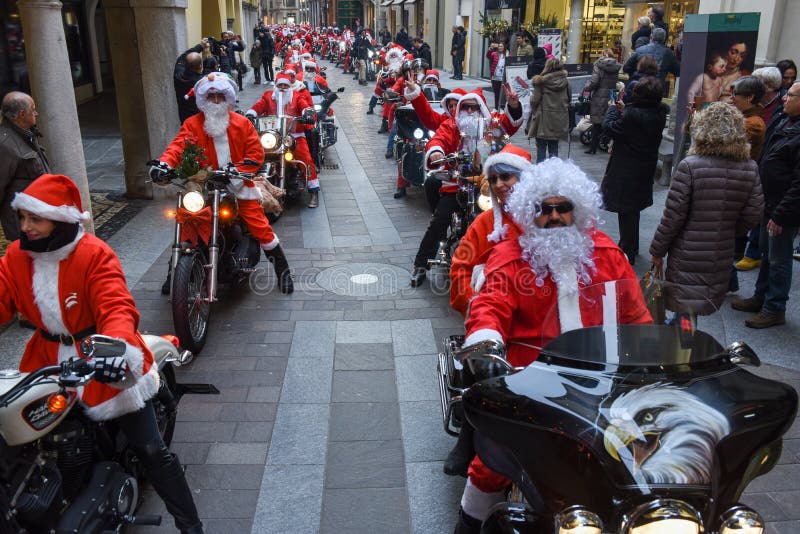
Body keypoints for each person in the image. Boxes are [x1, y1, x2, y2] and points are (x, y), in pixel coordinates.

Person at [452, 158, 650, 533]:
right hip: (529, 383)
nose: (555, 217)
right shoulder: (510, 258)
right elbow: (488, 307)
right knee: (493, 461)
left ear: (579, 209)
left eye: (564, 207)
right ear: (530, 212)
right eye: (544, 209)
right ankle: (468, 523)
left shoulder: (609, 256)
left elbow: (638, 318)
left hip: (603, 385)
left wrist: (652, 358)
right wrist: (486, 346)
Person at [1, 174, 204, 534]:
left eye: (35, 218)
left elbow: (116, 305)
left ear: (60, 219)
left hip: (102, 353)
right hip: (45, 360)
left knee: (152, 450)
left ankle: (191, 525)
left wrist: (117, 349)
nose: (25, 226)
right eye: (23, 217)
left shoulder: (93, 253)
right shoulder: (17, 256)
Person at [153, 74, 294, 293]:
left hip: (237, 183)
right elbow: (177, 147)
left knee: (259, 224)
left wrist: (239, 169)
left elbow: (256, 153)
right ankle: (175, 271)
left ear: (227, 98)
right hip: (204, 185)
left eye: (220, 96)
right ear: (204, 99)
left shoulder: (243, 124)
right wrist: (163, 165)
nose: (216, 100)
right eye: (211, 96)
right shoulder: (192, 124)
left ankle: (282, 270)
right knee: (189, 220)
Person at [650, 102, 763, 315]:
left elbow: (673, 217)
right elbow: (754, 212)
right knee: (702, 302)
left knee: (684, 307)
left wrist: (657, 250)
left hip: (687, 250)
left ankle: (684, 343)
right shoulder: (750, 168)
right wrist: (729, 229)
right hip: (721, 249)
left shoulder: (691, 166)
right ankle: (690, 342)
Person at [410, 88, 523, 286]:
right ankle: (421, 264)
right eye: (466, 108)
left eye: (474, 107)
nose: (470, 112)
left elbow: (508, 124)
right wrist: (436, 152)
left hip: (488, 185)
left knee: (508, 217)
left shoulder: (491, 124)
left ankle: (510, 261)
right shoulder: (452, 125)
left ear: (481, 108)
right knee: (440, 220)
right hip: (457, 184)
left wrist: (513, 105)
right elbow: (438, 139)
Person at [730, 81, 800, 328]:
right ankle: (761, 297)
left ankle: (774, 307)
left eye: (790, 95)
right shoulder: (784, 121)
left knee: (779, 259)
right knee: (767, 254)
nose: (784, 99)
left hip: (783, 209)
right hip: (770, 201)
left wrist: (781, 215)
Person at [601, 77, 669, 265]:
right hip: (644, 167)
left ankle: (626, 251)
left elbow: (610, 128)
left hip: (627, 169)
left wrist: (613, 109)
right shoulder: (659, 113)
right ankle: (632, 246)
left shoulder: (634, 116)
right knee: (633, 209)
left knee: (627, 210)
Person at [247, 72, 320, 208]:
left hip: (293, 135)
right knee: (253, 155)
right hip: (271, 136)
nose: (282, 87)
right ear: (276, 85)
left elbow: (304, 106)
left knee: (305, 158)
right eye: (279, 84)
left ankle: (314, 191)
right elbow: (259, 105)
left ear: (289, 86)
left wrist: (307, 113)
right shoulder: (268, 96)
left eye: (285, 85)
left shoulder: (297, 96)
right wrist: (251, 113)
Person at [0, 91, 50, 241]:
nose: (36, 113)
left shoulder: (26, 133)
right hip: (23, 224)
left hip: (38, 215)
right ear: (22, 114)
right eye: (32, 109)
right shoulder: (5, 145)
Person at [527, 58, 570, 162]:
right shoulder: (566, 82)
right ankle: (554, 172)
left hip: (543, 120)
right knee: (554, 146)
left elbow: (534, 100)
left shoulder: (541, 82)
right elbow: (569, 98)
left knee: (541, 146)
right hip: (559, 119)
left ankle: (541, 173)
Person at [583, 48, 621, 155]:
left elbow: (594, 81)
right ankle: (606, 143)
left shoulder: (599, 65)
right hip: (611, 94)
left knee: (597, 122)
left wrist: (586, 87)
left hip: (599, 94)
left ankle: (593, 148)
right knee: (608, 118)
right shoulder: (616, 67)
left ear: (602, 55)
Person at [174, 41, 208, 123]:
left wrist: (200, 46)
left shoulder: (178, 75)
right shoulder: (203, 81)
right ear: (200, 66)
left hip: (185, 120)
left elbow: (181, 58)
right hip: (201, 121)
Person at [486, 42, 507, 111]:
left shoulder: (506, 55)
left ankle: (501, 107)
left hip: (503, 78)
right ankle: (495, 107)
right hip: (495, 77)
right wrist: (491, 48)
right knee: (496, 93)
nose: (500, 47)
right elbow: (488, 56)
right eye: (499, 46)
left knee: (503, 94)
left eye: (502, 46)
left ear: (504, 47)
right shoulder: (494, 54)